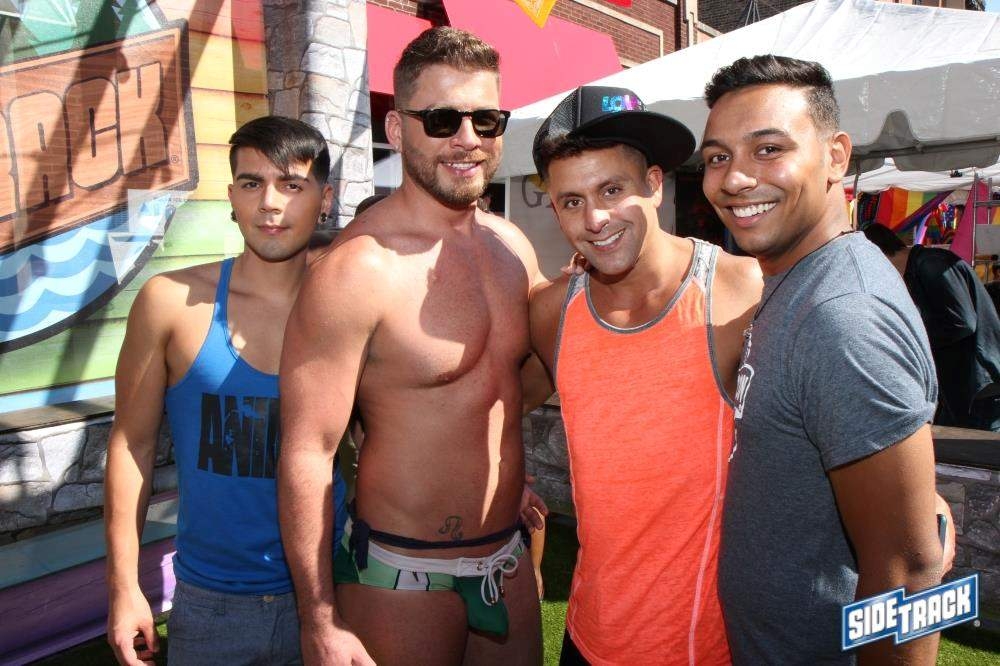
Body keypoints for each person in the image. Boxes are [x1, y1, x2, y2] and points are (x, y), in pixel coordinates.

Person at [277, 27, 543, 666]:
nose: (468, 139)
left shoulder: (512, 248)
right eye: (443, 120)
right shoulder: (357, 269)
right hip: (402, 573)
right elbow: (307, 452)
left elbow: (519, 379)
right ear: (397, 130)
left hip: (506, 559)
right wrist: (318, 619)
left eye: (486, 119)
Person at [700, 55, 943, 663]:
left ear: (836, 157)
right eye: (717, 157)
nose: (734, 179)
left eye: (768, 149)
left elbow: (911, 573)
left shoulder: (841, 316)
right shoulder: (797, 283)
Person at [526, 85, 763, 664]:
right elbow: (488, 400)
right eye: (572, 201)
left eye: (613, 190)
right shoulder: (551, 312)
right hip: (587, 637)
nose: (595, 219)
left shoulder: (741, 291)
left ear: (655, 184)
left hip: (706, 648)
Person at [104, 115, 347, 666]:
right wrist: (123, 585)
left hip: (333, 588)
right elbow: (131, 444)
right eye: (252, 183)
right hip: (211, 604)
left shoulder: (349, 308)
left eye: (292, 184)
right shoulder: (169, 301)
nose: (270, 203)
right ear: (231, 196)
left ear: (325, 200)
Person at [863, 222, 1000, 430]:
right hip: (960, 384)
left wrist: (911, 338)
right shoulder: (918, 269)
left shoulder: (931, 264)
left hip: (980, 381)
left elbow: (962, 322)